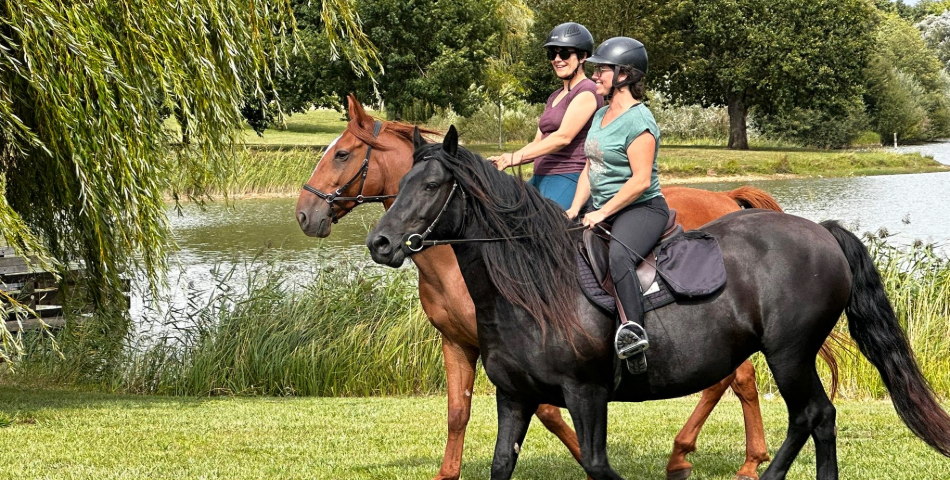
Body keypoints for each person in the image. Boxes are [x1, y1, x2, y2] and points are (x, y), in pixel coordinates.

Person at [565, 37, 669, 364]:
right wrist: (573, 208)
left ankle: (634, 333)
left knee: (621, 255)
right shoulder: (601, 115)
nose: (595, 76)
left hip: (641, 209)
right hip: (601, 208)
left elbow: (639, 181)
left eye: (602, 70)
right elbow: (590, 166)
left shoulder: (640, 121)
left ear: (624, 75)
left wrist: (602, 212)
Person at [489, 22, 603, 210]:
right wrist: (504, 159)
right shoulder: (554, 96)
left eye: (565, 53)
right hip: (541, 175)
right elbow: (537, 141)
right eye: (553, 54)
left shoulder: (587, 91)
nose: (557, 59)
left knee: (537, 229)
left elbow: (563, 137)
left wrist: (514, 158)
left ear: (582, 56)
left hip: (569, 175)